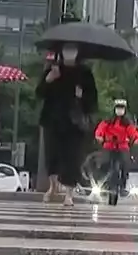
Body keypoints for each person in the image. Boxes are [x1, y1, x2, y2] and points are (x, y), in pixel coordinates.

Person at [37, 44, 98, 207]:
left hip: (74, 122)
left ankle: (69, 194)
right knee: (52, 155)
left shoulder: (84, 73)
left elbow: (93, 102)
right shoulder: (53, 69)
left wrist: (81, 97)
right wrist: (49, 80)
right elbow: (39, 93)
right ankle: (52, 187)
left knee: (72, 158)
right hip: (53, 119)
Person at [94, 98, 138, 204]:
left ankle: (123, 183)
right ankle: (102, 183)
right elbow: (100, 130)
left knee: (125, 164)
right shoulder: (108, 121)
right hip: (109, 146)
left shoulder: (127, 123)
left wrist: (137, 140)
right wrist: (99, 137)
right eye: (118, 108)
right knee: (103, 163)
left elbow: (133, 133)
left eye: (122, 108)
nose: (120, 110)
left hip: (122, 147)